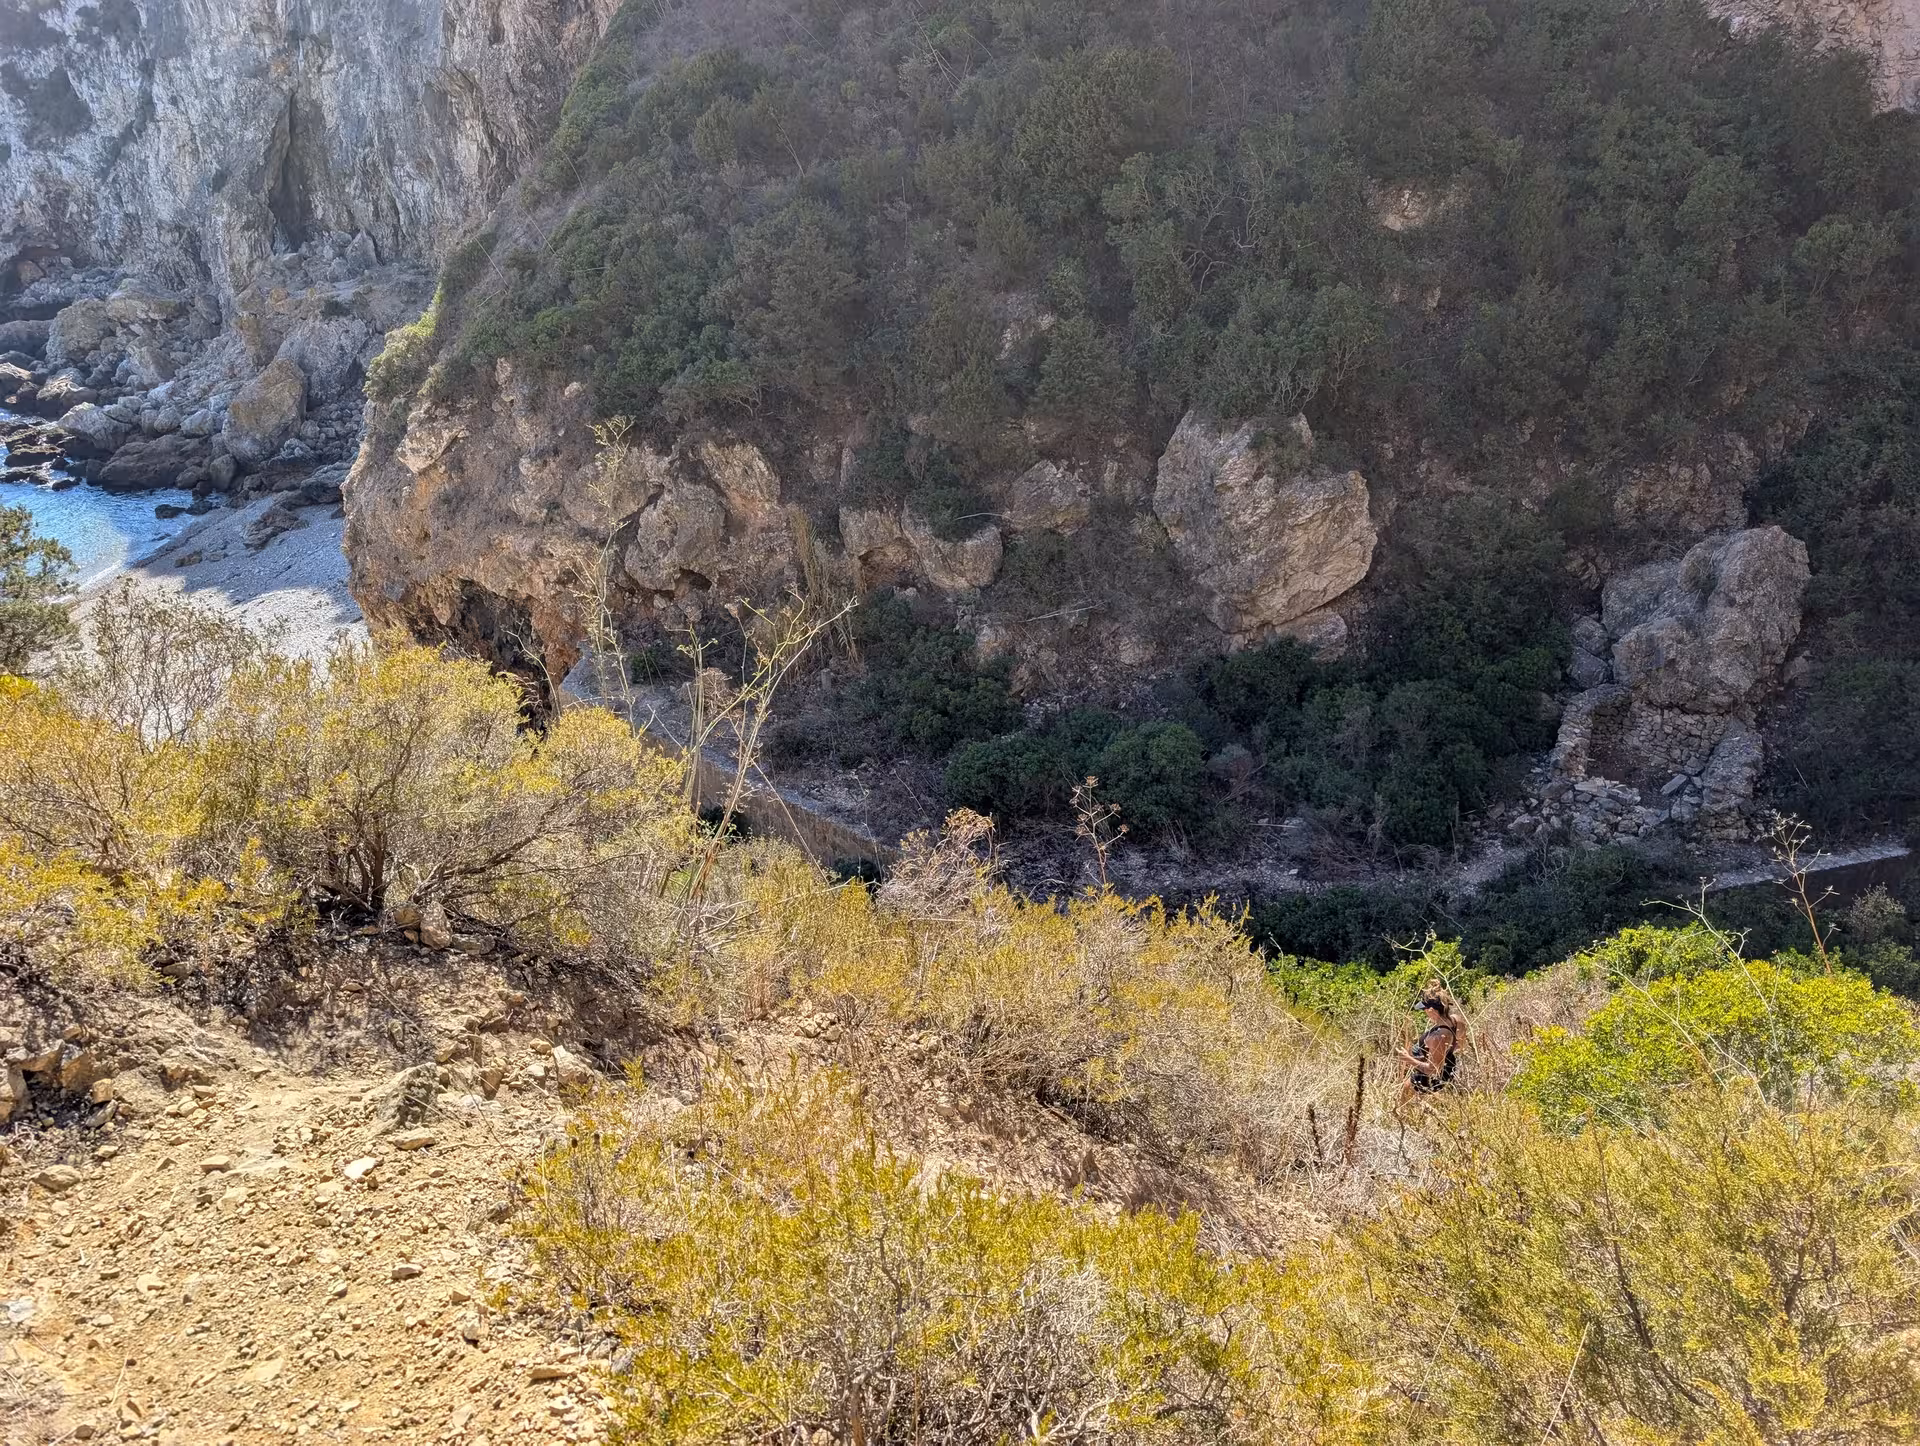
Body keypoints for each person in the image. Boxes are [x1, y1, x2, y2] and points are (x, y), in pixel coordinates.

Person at [1398, 983, 1462, 1107]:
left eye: (1424, 1009)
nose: (1424, 1012)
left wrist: (1408, 1059)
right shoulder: (1456, 1020)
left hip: (1434, 1077)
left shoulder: (1437, 1036)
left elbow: (1433, 1070)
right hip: (1450, 1066)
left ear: (1431, 1009)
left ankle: (1404, 1120)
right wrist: (1445, 1050)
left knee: (1406, 1091)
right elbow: (1460, 1044)